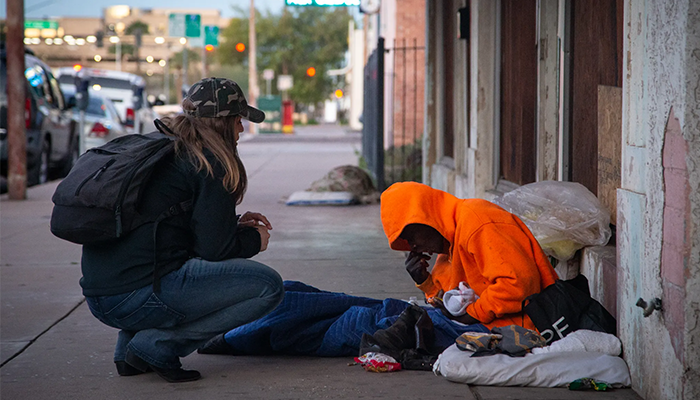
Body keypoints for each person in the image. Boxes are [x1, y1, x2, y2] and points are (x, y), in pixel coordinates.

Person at [80, 77, 284, 383]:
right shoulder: (209, 161)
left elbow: (172, 227)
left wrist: (232, 224)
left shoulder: (164, 148)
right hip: (135, 297)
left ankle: (128, 351)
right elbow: (214, 251)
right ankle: (159, 344)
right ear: (223, 123)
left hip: (101, 296)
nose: (241, 129)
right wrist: (254, 239)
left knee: (157, 262)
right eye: (238, 120)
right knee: (269, 286)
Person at [380, 182, 558, 331]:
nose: (413, 247)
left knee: (369, 321)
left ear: (424, 219)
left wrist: (474, 313)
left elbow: (518, 284)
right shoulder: (449, 243)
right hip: (481, 322)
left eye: (411, 237)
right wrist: (425, 282)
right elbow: (449, 302)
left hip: (515, 326)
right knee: (384, 309)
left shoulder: (477, 221)